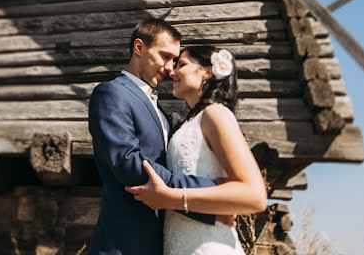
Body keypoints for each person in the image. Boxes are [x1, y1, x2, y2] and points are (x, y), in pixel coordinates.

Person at [88, 18, 221, 255]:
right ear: (139, 47)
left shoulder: (160, 112)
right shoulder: (111, 93)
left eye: (175, 60)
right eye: (165, 56)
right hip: (123, 245)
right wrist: (206, 195)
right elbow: (128, 163)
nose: (171, 68)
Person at [125, 45, 267, 255]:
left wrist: (169, 198)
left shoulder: (215, 114)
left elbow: (254, 195)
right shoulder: (189, 124)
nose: (172, 71)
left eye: (182, 64)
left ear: (207, 71)